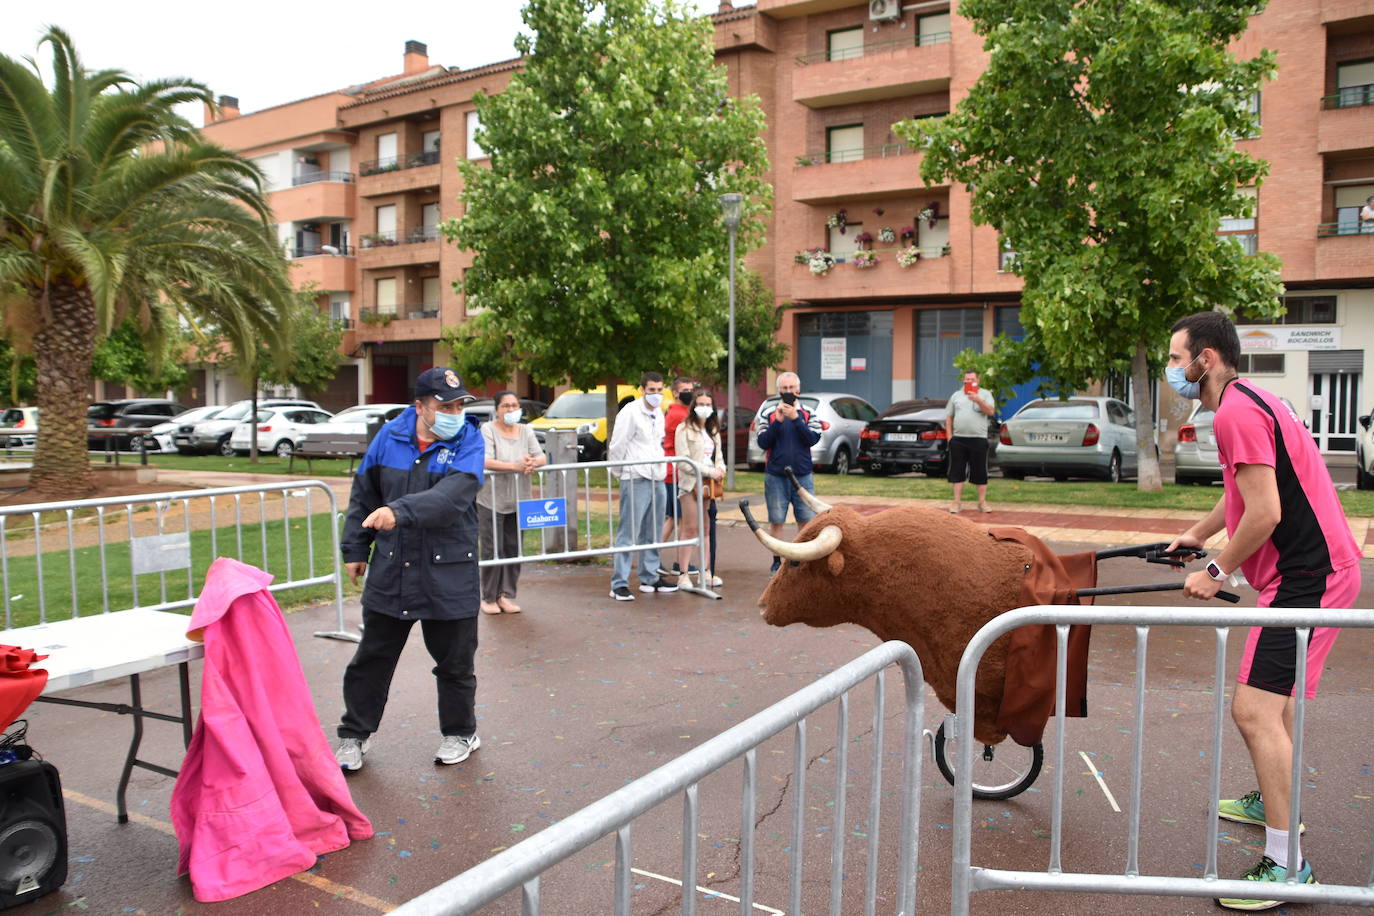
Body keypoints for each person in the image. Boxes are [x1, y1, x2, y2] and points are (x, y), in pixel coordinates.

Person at [1163, 311, 1361, 910]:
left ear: (1207, 359)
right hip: (1318, 570)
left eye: (1176, 359)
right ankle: (1277, 807)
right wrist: (1195, 536)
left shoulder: (1235, 412)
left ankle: (1286, 866)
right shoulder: (1252, 400)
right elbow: (1240, 497)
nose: (1171, 369)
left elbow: (1267, 512)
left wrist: (1217, 571)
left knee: (1252, 710)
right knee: (1275, 707)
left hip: (1310, 576)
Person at [334, 367, 485, 772]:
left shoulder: (470, 438)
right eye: (445, 405)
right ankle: (353, 737)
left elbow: (451, 498)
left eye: (458, 404)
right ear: (419, 406)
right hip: (392, 569)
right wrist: (354, 547)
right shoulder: (389, 436)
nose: (454, 412)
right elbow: (363, 494)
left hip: (449, 570)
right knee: (372, 659)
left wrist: (398, 512)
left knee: (455, 662)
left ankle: (461, 732)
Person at [607, 372, 677, 601]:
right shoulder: (630, 412)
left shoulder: (659, 412)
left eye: (659, 390)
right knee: (628, 531)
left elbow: (657, 443)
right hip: (635, 476)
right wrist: (620, 473)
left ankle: (649, 576)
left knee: (653, 531)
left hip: (656, 476)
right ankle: (619, 583)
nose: (656, 394)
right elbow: (618, 444)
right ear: (642, 389)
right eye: (652, 390)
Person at [477, 391, 546, 615]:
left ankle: (506, 595)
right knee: (491, 549)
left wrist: (531, 462)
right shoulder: (487, 429)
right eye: (505, 406)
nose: (510, 409)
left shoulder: (526, 430)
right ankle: (488, 597)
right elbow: (486, 460)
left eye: (514, 405)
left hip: (519, 499)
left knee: (514, 549)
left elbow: (542, 457)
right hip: (491, 499)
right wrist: (515, 466)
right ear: (496, 409)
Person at [756, 371, 823, 574]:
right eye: (784, 389)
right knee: (776, 519)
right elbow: (762, 442)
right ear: (779, 391)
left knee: (805, 520)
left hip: (802, 474)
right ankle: (776, 561)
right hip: (776, 475)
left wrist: (795, 419)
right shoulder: (768, 413)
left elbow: (812, 439)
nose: (788, 392)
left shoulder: (809, 413)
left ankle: (800, 559)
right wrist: (777, 421)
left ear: (798, 390)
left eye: (791, 388)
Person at [674, 389, 726, 587]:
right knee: (689, 528)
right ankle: (683, 573)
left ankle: (705, 571)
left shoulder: (713, 431)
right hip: (690, 485)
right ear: (694, 406)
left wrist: (720, 469)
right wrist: (708, 471)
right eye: (701, 404)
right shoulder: (684, 429)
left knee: (706, 528)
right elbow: (684, 462)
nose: (704, 408)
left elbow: (718, 456)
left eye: (708, 404)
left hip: (708, 486)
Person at [659, 376, 696, 578]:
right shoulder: (678, 414)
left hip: (676, 472)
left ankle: (676, 561)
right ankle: (672, 561)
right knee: (677, 519)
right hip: (675, 472)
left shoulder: (681, 412)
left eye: (691, 389)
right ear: (675, 392)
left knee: (676, 519)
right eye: (685, 389)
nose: (689, 392)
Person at [945, 369, 996, 513]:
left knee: (980, 472)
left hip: (979, 439)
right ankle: (956, 502)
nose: (969, 382)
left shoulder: (986, 394)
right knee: (957, 471)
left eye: (972, 379)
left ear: (978, 380)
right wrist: (950, 437)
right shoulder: (956, 395)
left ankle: (982, 502)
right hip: (959, 440)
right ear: (963, 380)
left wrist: (978, 400)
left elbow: (991, 412)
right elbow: (949, 417)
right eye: (966, 379)